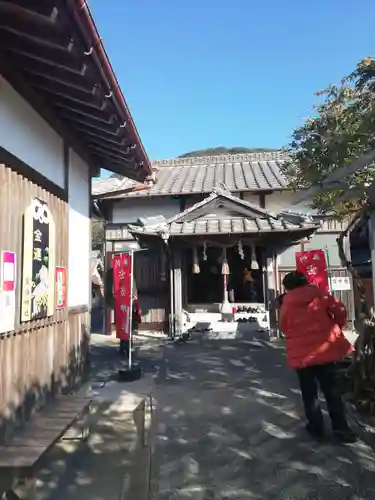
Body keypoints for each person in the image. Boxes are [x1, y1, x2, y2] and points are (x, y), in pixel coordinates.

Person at [279, 271, 356, 443]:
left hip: (302, 356)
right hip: (325, 350)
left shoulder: (287, 303)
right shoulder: (321, 295)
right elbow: (341, 310)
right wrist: (336, 324)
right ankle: (341, 429)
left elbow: (284, 326)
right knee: (332, 391)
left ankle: (316, 428)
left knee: (309, 393)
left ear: (288, 287)